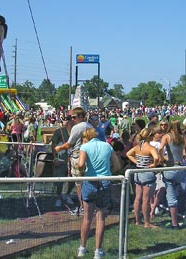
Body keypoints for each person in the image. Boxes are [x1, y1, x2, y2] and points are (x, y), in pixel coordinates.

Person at [76, 128, 121, 259]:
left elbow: (81, 164)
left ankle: (82, 248)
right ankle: (98, 251)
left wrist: (83, 169)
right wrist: (107, 170)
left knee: (87, 217)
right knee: (101, 218)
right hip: (105, 181)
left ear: (86, 137)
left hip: (90, 182)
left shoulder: (85, 146)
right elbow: (117, 166)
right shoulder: (107, 146)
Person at [55, 107, 93, 215]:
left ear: (81, 116)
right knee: (87, 182)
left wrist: (59, 148)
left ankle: (82, 207)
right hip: (89, 156)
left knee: (79, 184)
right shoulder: (90, 126)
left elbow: (69, 143)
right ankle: (88, 206)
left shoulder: (77, 127)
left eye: (74, 117)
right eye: (71, 117)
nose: (72, 119)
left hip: (78, 155)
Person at [158, 120, 186, 229]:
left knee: (171, 196)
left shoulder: (167, 137)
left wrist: (162, 159)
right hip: (180, 167)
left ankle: (174, 222)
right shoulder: (182, 137)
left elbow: (161, 148)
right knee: (183, 192)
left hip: (170, 167)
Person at [126, 127, 159, 228]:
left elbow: (128, 154)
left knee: (137, 198)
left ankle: (137, 220)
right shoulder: (150, 148)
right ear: (149, 136)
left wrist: (137, 162)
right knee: (146, 199)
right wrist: (154, 164)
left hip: (138, 172)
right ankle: (147, 222)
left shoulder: (137, 147)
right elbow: (157, 157)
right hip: (147, 174)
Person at [51, 114, 75, 207]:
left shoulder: (76, 132)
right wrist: (55, 158)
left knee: (73, 179)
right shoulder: (59, 131)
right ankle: (58, 197)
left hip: (72, 159)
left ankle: (67, 194)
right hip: (61, 159)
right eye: (72, 119)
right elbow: (53, 145)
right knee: (59, 180)